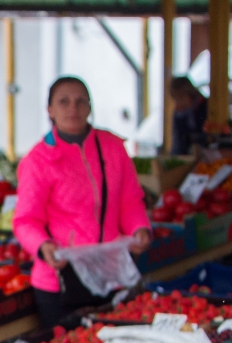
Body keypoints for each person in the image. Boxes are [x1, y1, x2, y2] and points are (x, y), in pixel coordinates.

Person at [13, 77, 150, 329]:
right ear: (50, 110)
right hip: (60, 280)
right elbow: (26, 220)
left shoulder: (113, 148)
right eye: (63, 102)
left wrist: (139, 228)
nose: (73, 109)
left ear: (90, 107)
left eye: (80, 101)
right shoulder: (38, 159)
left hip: (110, 273)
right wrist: (42, 246)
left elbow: (130, 200)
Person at [170, 76, 208, 155]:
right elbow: (177, 144)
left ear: (189, 95)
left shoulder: (206, 108)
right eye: (174, 98)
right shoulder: (179, 114)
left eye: (180, 97)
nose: (177, 102)